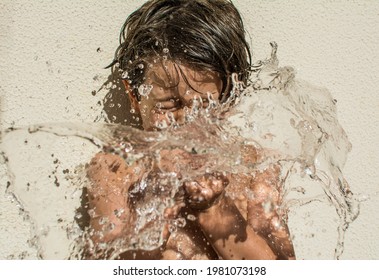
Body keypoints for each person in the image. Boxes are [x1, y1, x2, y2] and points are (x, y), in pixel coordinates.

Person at [84, 0, 295, 260]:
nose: (187, 121)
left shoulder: (253, 169)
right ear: (134, 96)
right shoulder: (116, 170)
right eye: (169, 105)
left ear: (230, 100)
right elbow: (104, 260)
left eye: (206, 106)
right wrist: (153, 203)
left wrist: (214, 208)